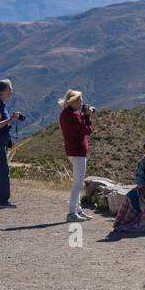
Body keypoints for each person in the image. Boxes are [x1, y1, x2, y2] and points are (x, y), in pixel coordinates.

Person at [0, 79, 24, 207]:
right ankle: (2, 201)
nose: (12, 91)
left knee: (1, 170)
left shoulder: (0, 103)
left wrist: (10, 119)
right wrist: (11, 119)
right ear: (3, 91)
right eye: (10, 89)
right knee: (3, 170)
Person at [58, 89, 93, 222]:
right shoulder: (73, 116)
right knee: (78, 184)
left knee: (78, 182)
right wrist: (88, 117)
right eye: (79, 100)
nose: (82, 103)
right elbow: (86, 130)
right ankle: (72, 213)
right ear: (72, 102)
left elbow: (78, 129)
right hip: (78, 152)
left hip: (72, 151)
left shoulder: (65, 114)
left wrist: (83, 116)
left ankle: (78, 210)